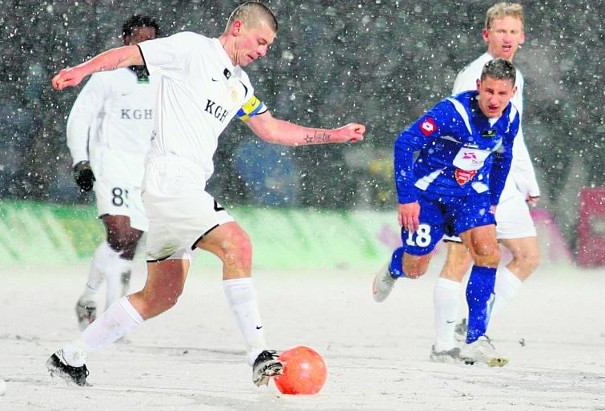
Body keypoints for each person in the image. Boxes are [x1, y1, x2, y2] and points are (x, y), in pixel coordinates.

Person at [46, 1, 365, 388]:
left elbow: (272, 130)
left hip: (181, 188)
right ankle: (259, 353)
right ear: (237, 27)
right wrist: (81, 71)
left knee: (161, 296)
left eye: (268, 46)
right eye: (260, 41)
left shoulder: (240, 84)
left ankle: (70, 357)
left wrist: (333, 135)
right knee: (238, 244)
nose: (263, 51)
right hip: (170, 178)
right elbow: (129, 54)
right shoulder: (192, 49)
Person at [372, 58, 519, 367]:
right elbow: (404, 142)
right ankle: (396, 266)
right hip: (428, 197)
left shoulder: (510, 118)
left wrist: (492, 198)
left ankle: (476, 339)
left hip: (470, 196)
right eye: (489, 91)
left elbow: (505, 156)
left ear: (513, 92)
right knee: (417, 267)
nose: (494, 100)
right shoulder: (452, 112)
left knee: (489, 254)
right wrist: (407, 197)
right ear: (478, 86)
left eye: (502, 94)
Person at [432, 2, 540, 363]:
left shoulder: (515, 77)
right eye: (500, 31)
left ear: (522, 37)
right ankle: (444, 343)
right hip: (467, 183)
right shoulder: (475, 76)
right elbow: (454, 129)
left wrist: (526, 180)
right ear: (487, 35)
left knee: (527, 256)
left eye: (513, 31)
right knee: (462, 260)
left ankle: (471, 324)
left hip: (501, 182)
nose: (507, 38)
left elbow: (513, 135)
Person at [66, 14, 161, 332]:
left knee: (132, 241)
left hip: (144, 172)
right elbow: (80, 117)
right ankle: (90, 298)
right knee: (119, 233)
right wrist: (81, 160)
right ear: (125, 41)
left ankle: (112, 314)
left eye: (150, 41)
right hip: (111, 166)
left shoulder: (163, 79)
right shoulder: (107, 76)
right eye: (138, 40)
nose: (143, 46)